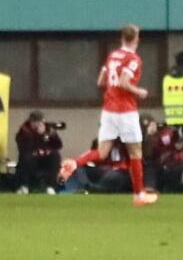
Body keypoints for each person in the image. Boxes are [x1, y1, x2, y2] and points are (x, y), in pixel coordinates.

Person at [63, 24, 156, 206]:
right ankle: (139, 195)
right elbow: (123, 82)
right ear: (136, 39)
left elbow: (101, 81)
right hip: (125, 110)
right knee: (135, 151)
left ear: (122, 37)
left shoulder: (112, 56)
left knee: (102, 150)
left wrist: (112, 91)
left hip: (108, 109)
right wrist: (139, 92)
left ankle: (74, 163)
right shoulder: (133, 59)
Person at [15, 111, 64, 192]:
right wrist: (40, 135)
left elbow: (58, 145)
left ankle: (51, 186)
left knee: (55, 155)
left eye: (39, 121)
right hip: (31, 158)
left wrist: (52, 135)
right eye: (34, 122)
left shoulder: (48, 129)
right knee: (27, 158)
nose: (36, 124)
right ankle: (24, 186)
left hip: (45, 158)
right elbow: (24, 148)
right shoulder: (23, 131)